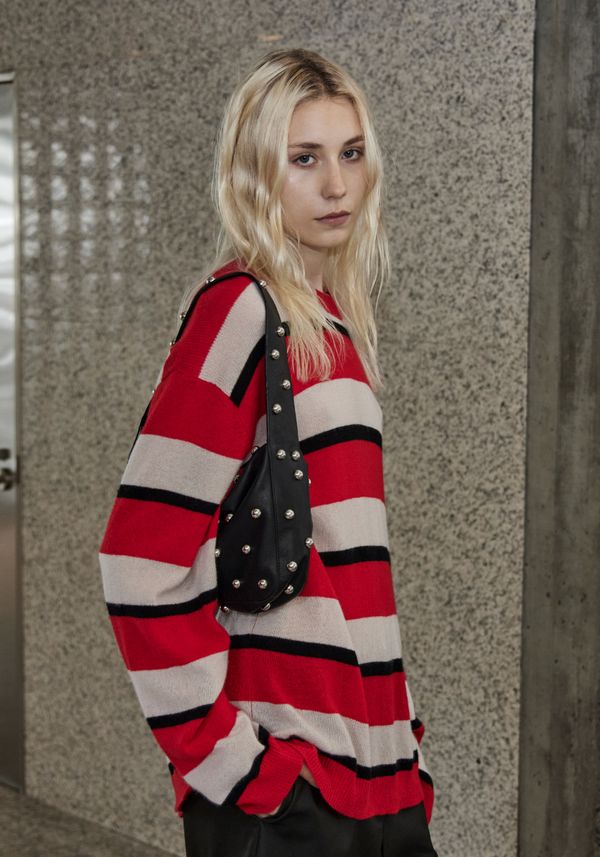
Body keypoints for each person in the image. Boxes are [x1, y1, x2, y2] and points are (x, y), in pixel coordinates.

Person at [100, 48, 438, 857]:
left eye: (351, 153)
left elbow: (350, 562)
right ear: (256, 172)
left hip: (377, 774)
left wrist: (403, 744)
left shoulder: (330, 320)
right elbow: (138, 557)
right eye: (305, 158)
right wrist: (238, 765)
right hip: (293, 782)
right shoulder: (239, 312)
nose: (337, 185)